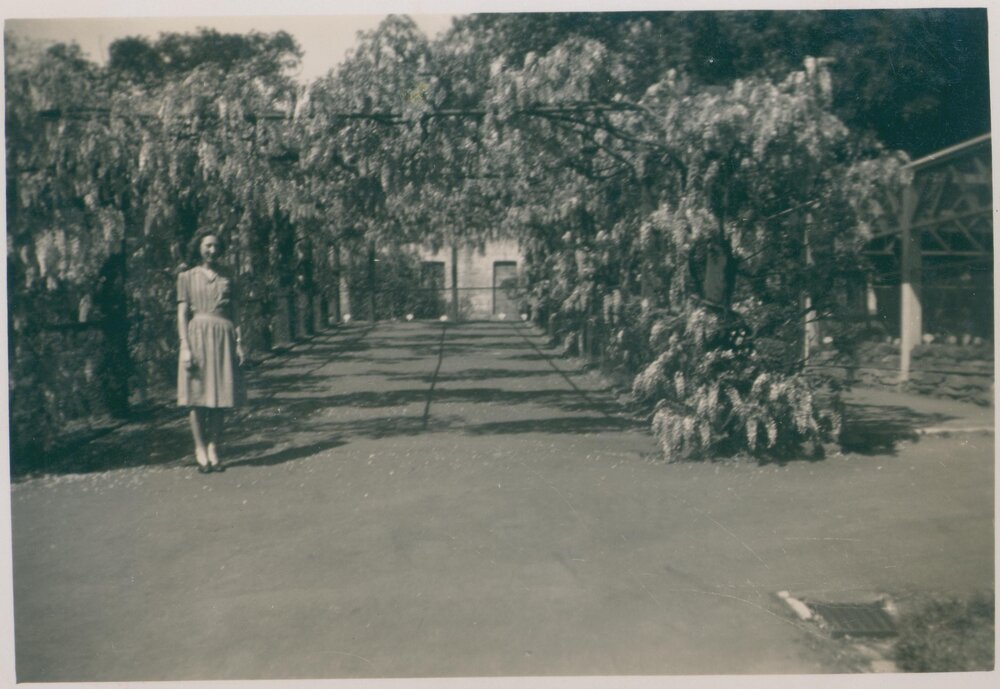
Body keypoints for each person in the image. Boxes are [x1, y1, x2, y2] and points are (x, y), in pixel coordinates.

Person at [177, 229, 245, 473]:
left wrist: (239, 341)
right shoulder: (186, 277)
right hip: (197, 337)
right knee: (197, 396)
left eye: (216, 246)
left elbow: (236, 312)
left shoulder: (229, 276)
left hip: (223, 337)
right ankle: (199, 449)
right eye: (208, 246)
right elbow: (182, 315)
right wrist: (185, 346)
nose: (212, 251)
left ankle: (214, 447)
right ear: (199, 247)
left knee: (220, 396)